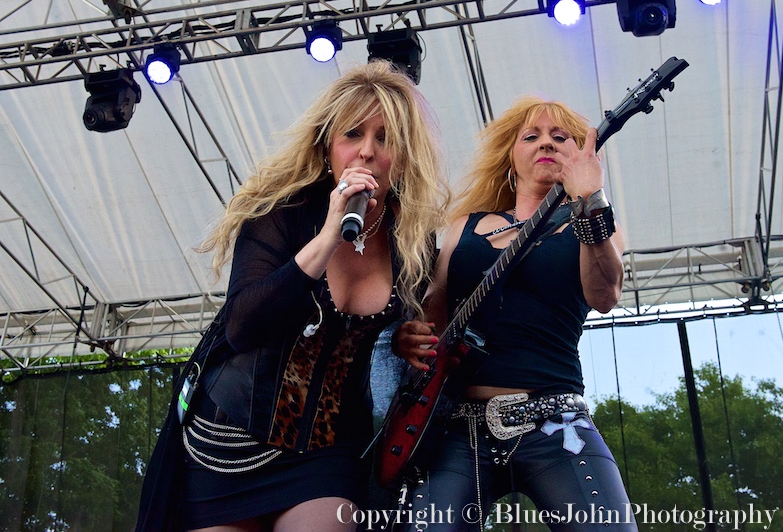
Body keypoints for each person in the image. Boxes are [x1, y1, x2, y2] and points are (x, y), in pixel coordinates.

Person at [135, 60, 449, 532]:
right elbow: (242, 324)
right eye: (352, 135)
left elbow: (378, 328)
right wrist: (327, 238)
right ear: (328, 148)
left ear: (402, 158)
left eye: (384, 139)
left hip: (327, 449)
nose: (366, 151)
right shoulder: (280, 211)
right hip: (229, 440)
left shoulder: (413, 243)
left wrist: (401, 335)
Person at [393, 95, 638, 531]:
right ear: (511, 154)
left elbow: (605, 294)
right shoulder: (464, 225)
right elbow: (432, 315)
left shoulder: (597, 220)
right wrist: (410, 335)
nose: (546, 143)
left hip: (557, 420)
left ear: (579, 154)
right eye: (532, 136)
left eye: (560, 137)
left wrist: (590, 199)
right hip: (456, 425)